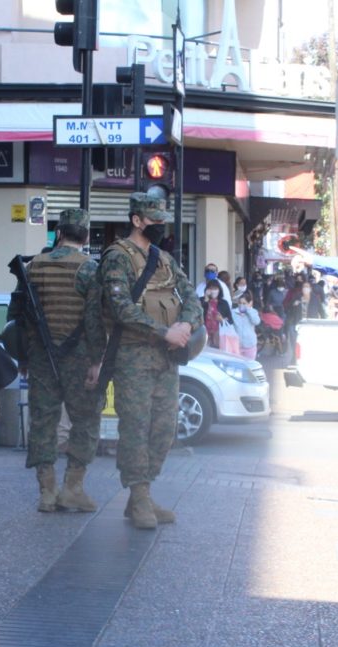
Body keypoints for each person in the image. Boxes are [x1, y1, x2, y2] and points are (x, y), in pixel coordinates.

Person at [100, 192, 202, 528]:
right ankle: (139, 495)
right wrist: (164, 332)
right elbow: (120, 309)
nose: (160, 225)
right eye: (154, 219)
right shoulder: (117, 257)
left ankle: (141, 494)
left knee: (164, 428)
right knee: (136, 428)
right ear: (137, 220)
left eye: (162, 219)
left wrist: (185, 324)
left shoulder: (164, 259)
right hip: (133, 358)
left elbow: (191, 297)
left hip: (166, 359)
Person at [21, 208, 107, 513]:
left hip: (42, 357)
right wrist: (97, 361)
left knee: (43, 421)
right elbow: (95, 321)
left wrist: (25, 358)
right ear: (85, 236)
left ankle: (46, 492)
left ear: (59, 233)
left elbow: (22, 317)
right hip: (79, 358)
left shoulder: (33, 266)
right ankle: (73, 488)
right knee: (85, 420)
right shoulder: (89, 269)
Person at [232, 291, 261, 359]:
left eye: (244, 303)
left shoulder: (253, 312)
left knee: (249, 366)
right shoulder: (233, 312)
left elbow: (256, 322)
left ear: (249, 303)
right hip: (237, 345)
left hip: (250, 345)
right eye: (240, 303)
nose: (241, 305)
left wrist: (248, 310)